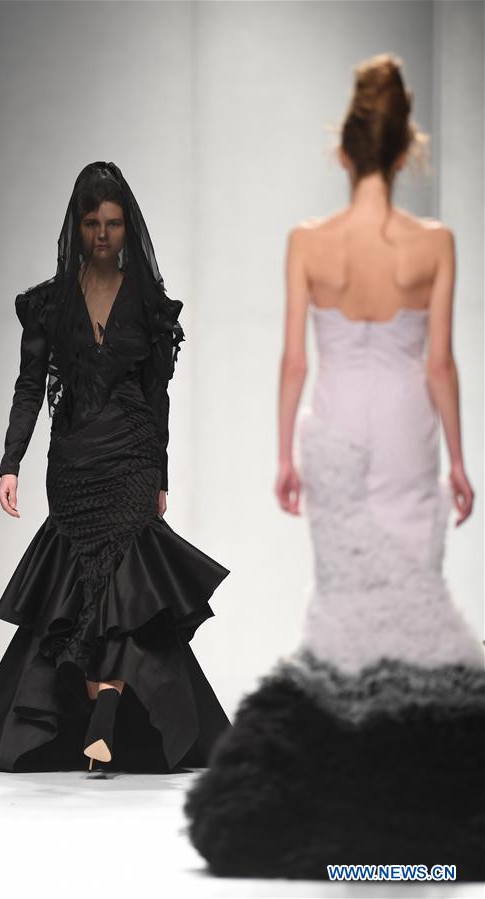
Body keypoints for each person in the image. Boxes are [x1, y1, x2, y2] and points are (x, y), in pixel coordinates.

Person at [184, 54, 485, 879]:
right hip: (407, 430)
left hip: (336, 429)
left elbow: (293, 360)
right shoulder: (434, 244)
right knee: (412, 598)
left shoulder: (308, 243)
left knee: (344, 605)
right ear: (404, 149)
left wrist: (284, 452)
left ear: (344, 150)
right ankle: (418, 790)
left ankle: (336, 784)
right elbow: (439, 365)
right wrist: (459, 459)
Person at [0, 161, 231, 774]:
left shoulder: (149, 305)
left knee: (123, 587)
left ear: (128, 227)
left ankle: (104, 718)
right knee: (85, 590)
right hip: (75, 463)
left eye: (112, 223)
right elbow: (30, 386)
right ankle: (90, 720)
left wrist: (160, 475)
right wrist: (11, 462)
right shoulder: (50, 304)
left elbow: (158, 395)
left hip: (131, 456)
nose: (102, 234)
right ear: (76, 226)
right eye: (92, 223)